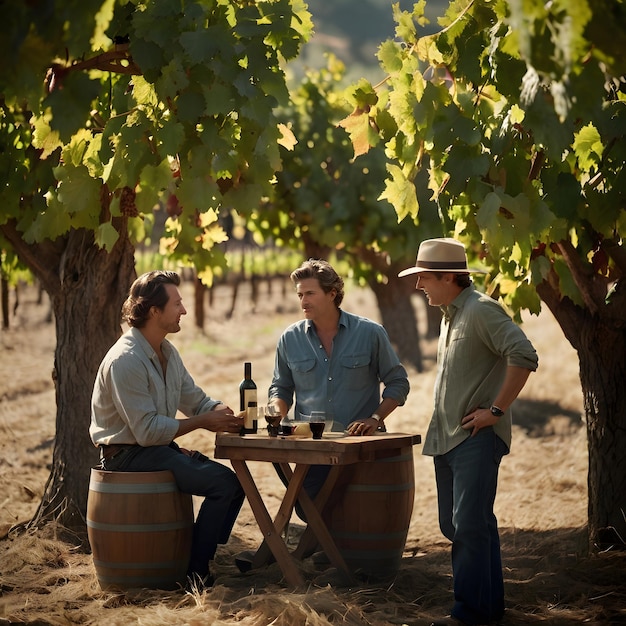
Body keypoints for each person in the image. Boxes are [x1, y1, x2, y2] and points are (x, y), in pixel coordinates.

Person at [398, 238, 538, 626]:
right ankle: (489, 609)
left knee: (470, 526)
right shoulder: (451, 315)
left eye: (424, 276)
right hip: (448, 438)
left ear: (448, 277)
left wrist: (496, 410)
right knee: (458, 525)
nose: (418, 284)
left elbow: (524, 354)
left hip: (476, 439)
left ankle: (470, 614)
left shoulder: (480, 310)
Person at [90, 270, 245, 588]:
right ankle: (196, 573)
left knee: (235, 483)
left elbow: (195, 399)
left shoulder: (168, 353)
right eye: (177, 303)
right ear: (154, 311)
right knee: (222, 485)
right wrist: (203, 423)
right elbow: (146, 432)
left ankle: (197, 555)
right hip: (127, 456)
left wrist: (224, 414)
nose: (185, 310)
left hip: (153, 450)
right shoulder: (126, 360)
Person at [269, 258, 410, 504]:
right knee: (306, 504)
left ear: (332, 293)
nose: (303, 301)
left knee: (357, 512)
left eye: (310, 293)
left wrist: (375, 419)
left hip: (361, 448)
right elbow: (281, 387)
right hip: (312, 449)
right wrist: (276, 415)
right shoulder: (289, 338)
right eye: (300, 295)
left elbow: (398, 382)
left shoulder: (370, 333)